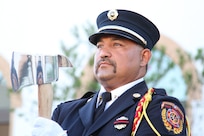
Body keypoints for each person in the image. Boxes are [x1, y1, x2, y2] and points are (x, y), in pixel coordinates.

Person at [32, 9, 190, 136]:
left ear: (144, 57)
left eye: (117, 45)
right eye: (100, 46)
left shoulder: (155, 110)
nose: (103, 53)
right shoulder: (66, 113)